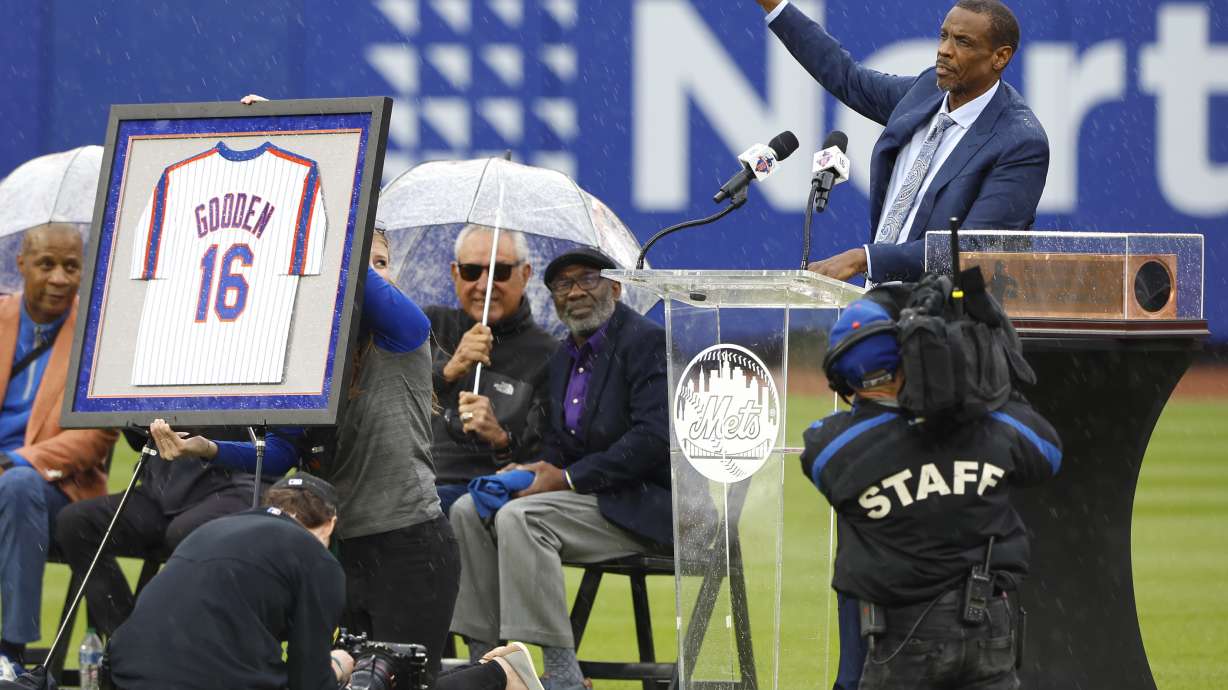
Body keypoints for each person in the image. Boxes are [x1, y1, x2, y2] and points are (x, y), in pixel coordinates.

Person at [150, 227, 461, 684]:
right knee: (342, 680)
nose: (369, 273)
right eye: (365, 260)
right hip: (340, 549)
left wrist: (316, 224)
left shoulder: (405, 334)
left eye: (380, 263)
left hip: (410, 544)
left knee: (405, 682)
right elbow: (281, 453)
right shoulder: (312, 362)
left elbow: (343, 270)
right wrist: (207, 447)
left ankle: (498, 676)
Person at [800, 299, 1062, 690]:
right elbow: (1048, 452)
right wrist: (980, 368)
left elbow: (827, 453)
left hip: (903, 636)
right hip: (988, 625)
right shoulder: (985, 426)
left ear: (842, 380)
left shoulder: (834, 448)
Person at [449, 248, 671, 690]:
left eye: (587, 279)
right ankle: (488, 665)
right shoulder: (563, 356)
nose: (574, 292)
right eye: (563, 285)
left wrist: (566, 478)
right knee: (467, 509)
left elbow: (653, 441)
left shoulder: (645, 342)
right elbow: (558, 444)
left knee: (522, 519)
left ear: (615, 286)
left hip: (647, 506)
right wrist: (532, 468)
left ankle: (561, 675)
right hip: (590, 501)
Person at [107, 473, 545, 690]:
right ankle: (500, 675)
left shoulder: (210, 530)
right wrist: (342, 664)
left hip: (124, 674)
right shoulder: (315, 561)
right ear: (331, 522)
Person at [756, 0, 1048, 283]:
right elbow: (849, 78)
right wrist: (774, 4)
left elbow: (972, 251)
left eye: (963, 42)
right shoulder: (925, 90)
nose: (944, 51)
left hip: (947, 320)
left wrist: (865, 259)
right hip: (882, 304)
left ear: (1000, 57)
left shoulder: (1020, 141)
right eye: (944, 36)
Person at [0, 223, 117, 675]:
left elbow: (96, 435)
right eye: (46, 264)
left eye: (71, 266)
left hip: (55, 491)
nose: (59, 278)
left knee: (17, 487)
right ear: (21, 265)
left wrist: (17, 460)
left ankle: (11, 652)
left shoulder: (96, 335)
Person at [54, 427, 283, 638]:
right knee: (77, 523)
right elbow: (138, 438)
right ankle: (129, 648)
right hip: (164, 488)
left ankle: (189, 655)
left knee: (186, 532)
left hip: (237, 483)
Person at [425, 224, 557, 515]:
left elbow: (549, 460)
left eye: (500, 272)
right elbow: (391, 404)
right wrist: (447, 372)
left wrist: (500, 438)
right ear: (454, 273)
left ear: (525, 275)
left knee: (431, 510)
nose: (484, 285)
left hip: (482, 492)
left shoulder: (549, 355)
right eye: (472, 271)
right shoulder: (428, 325)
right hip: (413, 482)